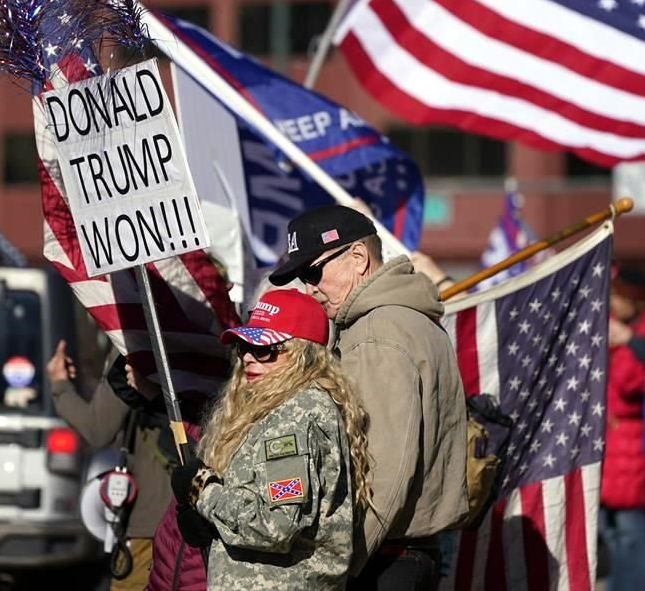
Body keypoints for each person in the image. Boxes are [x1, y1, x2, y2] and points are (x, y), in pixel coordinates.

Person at [268, 205, 468, 589]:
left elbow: (383, 471)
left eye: (313, 272)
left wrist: (337, 569)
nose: (309, 288)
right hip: (404, 553)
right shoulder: (406, 319)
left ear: (358, 257)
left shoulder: (379, 331)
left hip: (381, 557)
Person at [170, 288, 371, 590]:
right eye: (244, 347)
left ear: (304, 355)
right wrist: (211, 521)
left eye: (264, 349)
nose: (249, 358)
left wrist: (204, 491)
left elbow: (275, 524)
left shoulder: (296, 413)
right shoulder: (278, 407)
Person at [46, 340, 172, 591]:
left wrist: (60, 385)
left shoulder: (134, 340)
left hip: (150, 524)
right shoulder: (210, 334)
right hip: (201, 518)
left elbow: (98, 428)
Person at [599, 264, 645, 591]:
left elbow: (631, 381)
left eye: (620, 296)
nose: (612, 301)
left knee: (629, 533)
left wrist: (626, 343)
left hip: (630, 444)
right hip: (613, 444)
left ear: (635, 302)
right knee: (611, 532)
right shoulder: (616, 332)